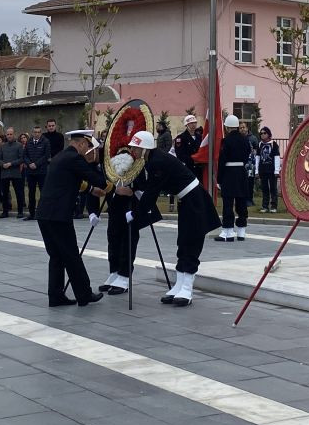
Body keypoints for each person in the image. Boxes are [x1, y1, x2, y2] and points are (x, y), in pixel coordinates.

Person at [126, 130, 221, 306]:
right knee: (183, 241)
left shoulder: (157, 162)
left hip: (195, 200)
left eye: (136, 148)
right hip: (186, 200)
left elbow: (151, 193)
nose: (133, 151)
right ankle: (179, 284)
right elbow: (148, 187)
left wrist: (136, 213)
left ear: (144, 148)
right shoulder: (152, 160)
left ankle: (187, 288)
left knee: (192, 242)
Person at [37, 130, 109, 307]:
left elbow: (70, 180)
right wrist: (113, 181)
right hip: (59, 217)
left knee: (56, 256)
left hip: (45, 215)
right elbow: (95, 178)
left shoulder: (60, 157)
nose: (89, 151)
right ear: (82, 143)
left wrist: (91, 190)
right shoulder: (75, 159)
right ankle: (84, 295)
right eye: (89, 147)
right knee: (71, 256)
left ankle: (55, 296)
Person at [100, 139, 163, 296]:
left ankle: (124, 276)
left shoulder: (138, 166)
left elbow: (143, 186)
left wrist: (132, 189)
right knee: (112, 239)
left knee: (128, 241)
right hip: (115, 207)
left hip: (131, 208)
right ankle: (113, 271)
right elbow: (106, 183)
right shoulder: (111, 165)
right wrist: (115, 190)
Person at [215, 115, 250, 242]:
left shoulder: (226, 141)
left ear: (227, 127)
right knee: (241, 203)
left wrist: (219, 179)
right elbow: (247, 156)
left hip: (229, 173)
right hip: (241, 172)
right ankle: (241, 232)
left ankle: (228, 231)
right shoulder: (245, 140)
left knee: (228, 203)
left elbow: (222, 160)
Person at [23, 126, 51, 219]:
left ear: (41, 133)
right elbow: (25, 155)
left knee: (43, 193)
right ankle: (32, 214)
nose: (37, 134)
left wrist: (36, 164)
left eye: (38, 132)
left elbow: (46, 155)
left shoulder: (45, 142)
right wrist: (29, 163)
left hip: (41, 171)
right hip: (30, 172)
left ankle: (43, 213)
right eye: (35, 132)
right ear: (32, 133)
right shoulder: (29, 142)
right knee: (31, 193)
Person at [0, 128, 27, 218]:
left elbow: (21, 159)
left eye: (11, 134)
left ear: (14, 135)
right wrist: (3, 165)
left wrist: (11, 164)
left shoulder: (19, 145)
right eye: (8, 134)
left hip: (16, 172)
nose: (9, 136)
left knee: (19, 193)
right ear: (6, 135)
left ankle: (20, 211)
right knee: (4, 193)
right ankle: (5, 211)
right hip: (5, 172)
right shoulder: (3, 146)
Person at [255, 127, 281, 213]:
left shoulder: (274, 144)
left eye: (264, 133)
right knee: (264, 188)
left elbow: (277, 157)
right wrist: (256, 171)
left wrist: (277, 170)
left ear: (268, 134)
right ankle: (265, 206)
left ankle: (274, 206)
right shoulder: (259, 145)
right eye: (261, 133)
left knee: (273, 188)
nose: (262, 135)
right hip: (263, 170)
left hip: (272, 170)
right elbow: (257, 158)